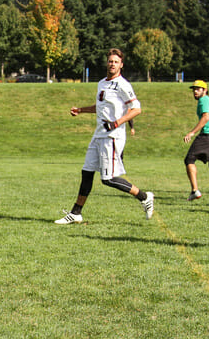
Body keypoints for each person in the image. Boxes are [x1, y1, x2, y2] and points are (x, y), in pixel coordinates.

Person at [55, 48, 154, 224]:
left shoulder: (123, 84)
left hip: (113, 136)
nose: (112, 64)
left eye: (116, 62)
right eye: (110, 61)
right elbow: (100, 106)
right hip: (98, 135)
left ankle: (145, 197)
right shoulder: (102, 83)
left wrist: (117, 122)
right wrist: (81, 110)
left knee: (108, 179)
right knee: (86, 172)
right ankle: (76, 212)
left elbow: (136, 109)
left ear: (121, 65)